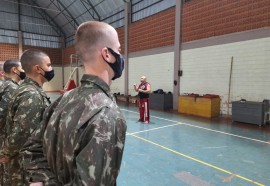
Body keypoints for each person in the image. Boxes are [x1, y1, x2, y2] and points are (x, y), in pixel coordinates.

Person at [21, 21, 127, 186]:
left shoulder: (64, 98)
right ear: (107, 54)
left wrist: (44, 181)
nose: (120, 55)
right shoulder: (106, 113)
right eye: (118, 50)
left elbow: (30, 149)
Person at [0, 49, 53, 186]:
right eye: (48, 65)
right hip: (22, 165)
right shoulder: (31, 95)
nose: (51, 68)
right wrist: (6, 153)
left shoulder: (30, 90)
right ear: (38, 69)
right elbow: (22, 132)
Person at [0, 59, 25, 186]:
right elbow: (3, 116)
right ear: (15, 70)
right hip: (7, 139)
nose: (24, 71)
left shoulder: (5, 85)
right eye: (22, 68)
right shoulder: (12, 88)